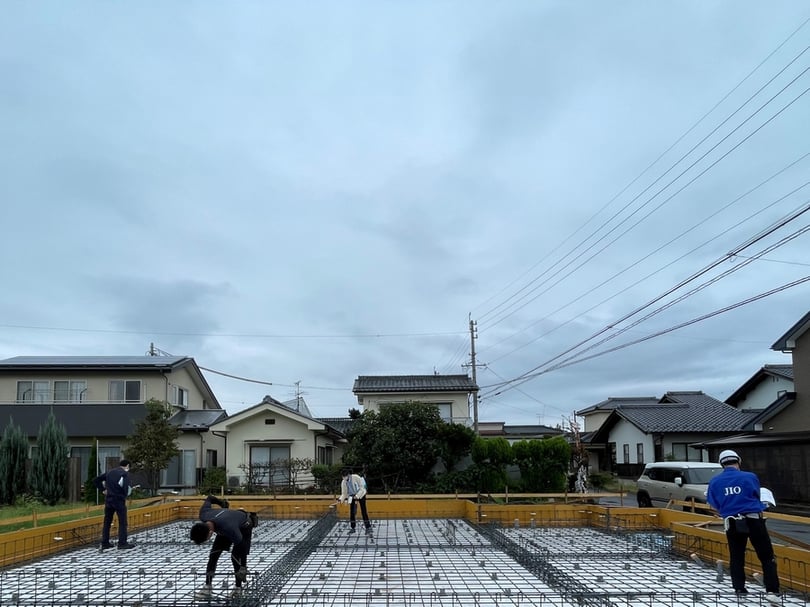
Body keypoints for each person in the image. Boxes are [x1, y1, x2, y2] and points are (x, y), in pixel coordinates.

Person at [706, 449, 780, 604]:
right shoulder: (750, 477)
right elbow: (755, 495)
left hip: (732, 522)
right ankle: (772, 591)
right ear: (738, 461)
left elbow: (713, 505)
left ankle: (739, 588)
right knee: (766, 556)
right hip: (754, 520)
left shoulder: (715, 482)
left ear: (722, 464)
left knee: (737, 556)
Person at [189, 495, 258, 599]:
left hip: (244, 526)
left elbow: (242, 545)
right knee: (213, 555)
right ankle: (208, 587)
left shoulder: (230, 529)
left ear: (210, 533)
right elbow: (210, 498)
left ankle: (238, 589)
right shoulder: (204, 514)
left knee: (235, 557)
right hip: (224, 524)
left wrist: (243, 566)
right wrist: (221, 503)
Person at [93, 459, 137, 550]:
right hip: (119, 500)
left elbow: (96, 480)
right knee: (122, 522)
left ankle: (105, 542)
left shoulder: (109, 472)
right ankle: (122, 543)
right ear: (127, 466)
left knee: (107, 522)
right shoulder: (124, 474)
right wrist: (130, 491)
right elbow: (125, 489)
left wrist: (103, 490)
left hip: (109, 500)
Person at [338, 467, 372, 535]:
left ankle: (368, 527)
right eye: (343, 476)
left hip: (361, 494)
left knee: (363, 510)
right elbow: (344, 493)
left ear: (348, 475)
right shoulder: (343, 482)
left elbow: (362, 488)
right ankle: (353, 528)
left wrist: (357, 496)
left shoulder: (356, 477)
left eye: (345, 476)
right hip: (351, 496)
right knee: (352, 512)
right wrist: (340, 499)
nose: (344, 478)